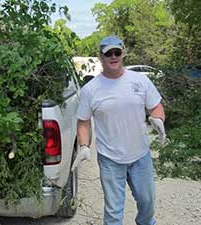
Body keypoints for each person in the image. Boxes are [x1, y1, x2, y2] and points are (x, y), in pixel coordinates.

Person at [71, 35, 166, 225]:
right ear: (101, 57)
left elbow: (156, 106)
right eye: (108, 53)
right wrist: (83, 146)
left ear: (123, 53)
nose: (113, 56)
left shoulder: (140, 81)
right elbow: (83, 121)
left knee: (147, 204)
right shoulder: (91, 90)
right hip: (110, 159)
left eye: (117, 52)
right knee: (114, 212)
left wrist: (158, 120)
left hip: (140, 156)